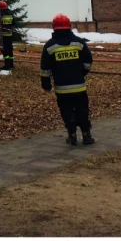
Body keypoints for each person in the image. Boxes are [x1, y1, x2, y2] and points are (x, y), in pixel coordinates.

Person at [39, 14, 93, 145]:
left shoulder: (50, 46)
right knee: (82, 110)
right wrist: (81, 73)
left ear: (54, 28)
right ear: (70, 27)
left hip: (62, 89)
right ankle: (86, 135)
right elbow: (88, 61)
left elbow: (45, 69)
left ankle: (72, 135)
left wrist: (46, 85)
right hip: (79, 86)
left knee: (66, 111)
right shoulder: (79, 43)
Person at [0, 0, 14, 70]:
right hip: (10, 35)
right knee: (10, 50)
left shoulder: (0, 15)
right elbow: (14, 23)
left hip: (4, 36)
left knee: (6, 51)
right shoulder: (10, 14)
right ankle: (11, 64)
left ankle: (7, 66)